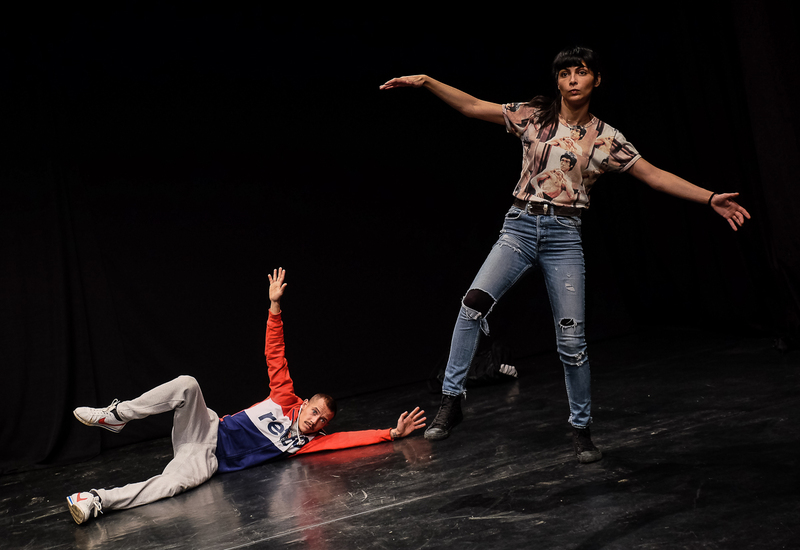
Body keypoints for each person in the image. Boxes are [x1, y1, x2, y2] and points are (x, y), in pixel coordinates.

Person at [379, 46, 750, 463]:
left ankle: (581, 429)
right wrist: (426, 81)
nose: (572, 79)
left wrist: (710, 198)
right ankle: (452, 401)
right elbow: (472, 106)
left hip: (563, 237)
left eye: (581, 72)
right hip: (519, 227)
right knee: (472, 305)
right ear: (557, 81)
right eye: (565, 73)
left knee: (572, 342)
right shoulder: (534, 117)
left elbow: (654, 176)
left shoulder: (606, 138)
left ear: (596, 80)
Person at [66, 267, 426, 525]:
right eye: (315, 411)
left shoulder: (308, 442)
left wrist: (391, 434)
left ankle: (96, 499)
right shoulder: (285, 397)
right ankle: (118, 416)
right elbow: (275, 354)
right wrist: (274, 307)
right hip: (206, 428)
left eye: (322, 420)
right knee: (188, 384)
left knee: (173, 485)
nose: (315, 420)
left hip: (205, 460)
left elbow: (349, 439)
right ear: (305, 403)